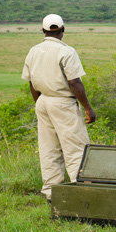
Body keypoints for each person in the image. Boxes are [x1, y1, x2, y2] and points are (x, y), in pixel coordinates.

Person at [21, 14, 96, 204]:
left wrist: (41, 103)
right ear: (63, 29)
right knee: (76, 148)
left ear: (43, 31)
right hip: (63, 101)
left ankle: (50, 192)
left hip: (43, 100)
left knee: (49, 148)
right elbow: (74, 82)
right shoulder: (67, 51)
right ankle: (81, 190)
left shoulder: (34, 50)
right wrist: (87, 108)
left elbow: (31, 82)